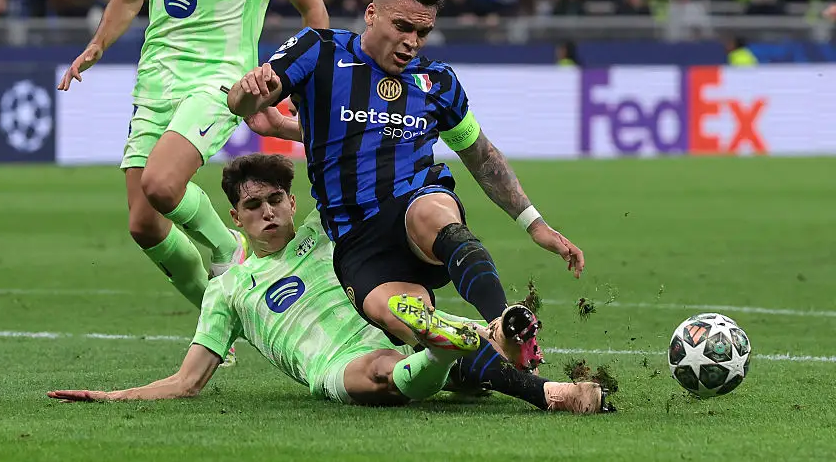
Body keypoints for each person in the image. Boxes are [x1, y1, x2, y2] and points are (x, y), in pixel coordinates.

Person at [55, 0, 330, 354]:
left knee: (163, 186)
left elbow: (315, 14)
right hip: (155, 80)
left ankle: (228, 247)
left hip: (219, 82)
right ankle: (221, 321)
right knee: (143, 223)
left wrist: (291, 81)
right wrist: (97, 44)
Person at [227, 0, 584, 373]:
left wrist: (534, 224)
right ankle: (539, 386)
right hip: (358, 241)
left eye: (422, 32)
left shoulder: (437, 82)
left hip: (415, 211)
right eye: (402, 26)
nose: (412, 42)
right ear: (371, 14)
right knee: (432, 347)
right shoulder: (320, 50)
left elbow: (481, 156)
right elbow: (248, 102)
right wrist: (248, 94)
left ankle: (504, 325)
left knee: (434, 211)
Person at [48, 154, 606, 413]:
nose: (267, 212)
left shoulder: (329, 230)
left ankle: (479, 352)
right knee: (381, 372)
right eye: (253, 206)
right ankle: (473, 358)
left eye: (275, 200)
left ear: (293, 203)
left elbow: (347, 155)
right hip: (338, 363)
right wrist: (112, 396)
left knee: (435, 339)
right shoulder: (228, 290)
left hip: (393, 321)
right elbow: (188, 382)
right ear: (236, 217)